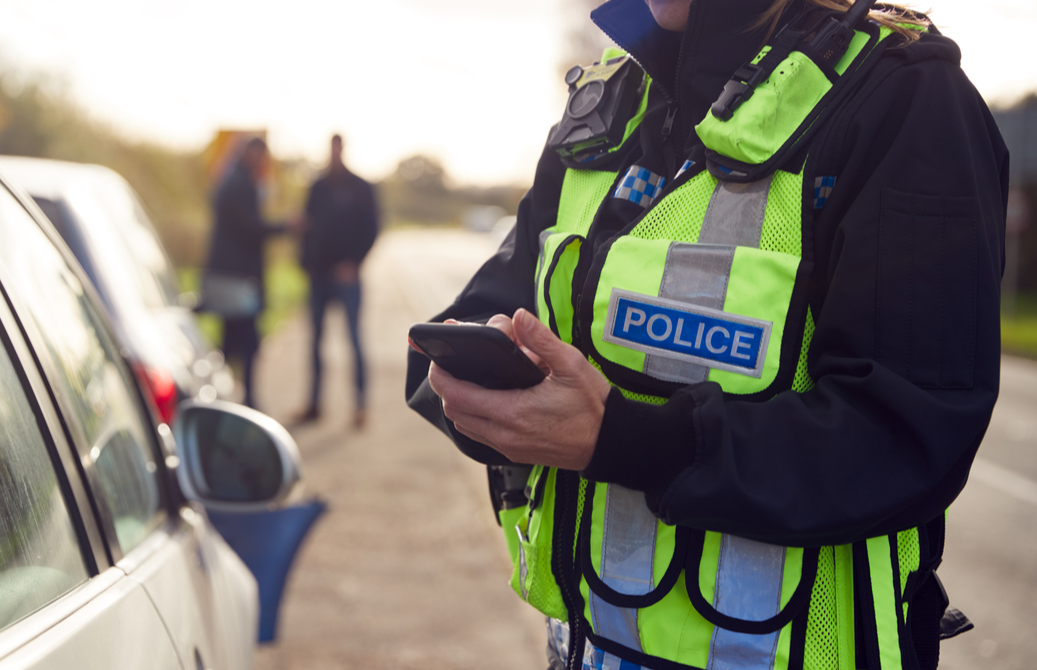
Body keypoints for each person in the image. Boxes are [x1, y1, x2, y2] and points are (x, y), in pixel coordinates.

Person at [404, 0, 1008, 669]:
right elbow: (490, 310)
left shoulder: (906, 97)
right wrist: (482, 400)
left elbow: (907, 439)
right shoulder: (612, 97)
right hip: (583, 650)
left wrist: (622, 440)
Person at [299, 134, 379, 427]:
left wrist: (354, 263)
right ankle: (314, 403)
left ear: (343, 149)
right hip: (318, 275)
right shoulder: (317, 186)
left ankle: (360, 406)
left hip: (347, 277)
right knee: (315, 340)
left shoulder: (361, 187)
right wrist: (304, 263)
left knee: (354, 339)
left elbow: (372, 230)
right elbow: (306, 225)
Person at [203, 136, 280, 409]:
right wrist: (286, 226)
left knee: (234, 341)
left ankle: (230, 399)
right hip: (237, 280)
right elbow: (251, 228)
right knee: (243, 343)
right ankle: (242, 402)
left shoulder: (234, 179)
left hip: (233, 278)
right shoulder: (238, 184)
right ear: (251, 154)